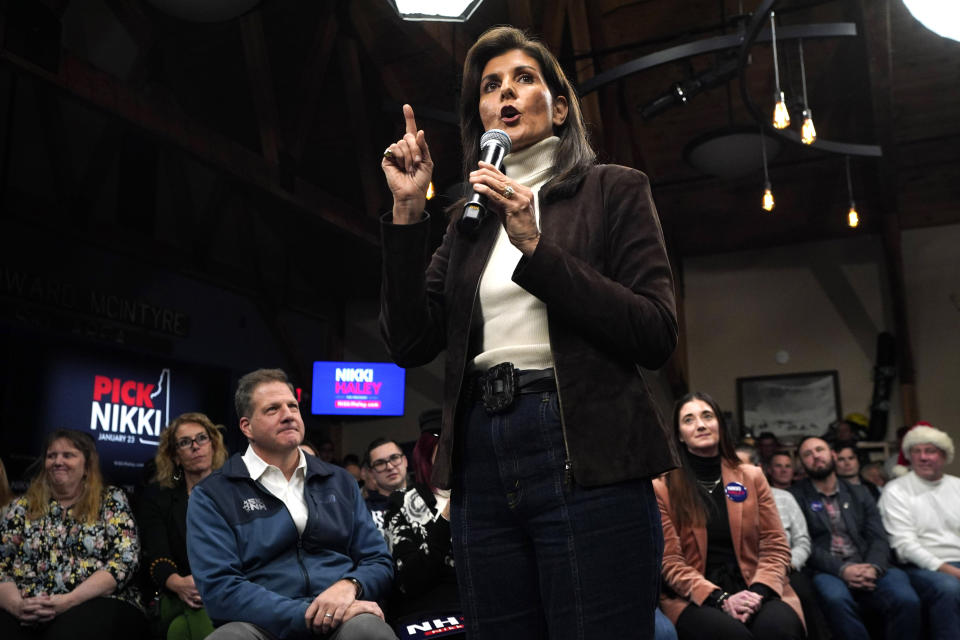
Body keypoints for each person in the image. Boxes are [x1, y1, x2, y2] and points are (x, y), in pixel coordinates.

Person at [378, 25, 679, 638]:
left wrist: (535, 245)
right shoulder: (469, 214)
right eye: (490, 87)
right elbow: (409, 343)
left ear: (560, 107)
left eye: (523, 78)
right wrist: (409, 211)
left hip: (582, 443)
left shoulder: (612, 188)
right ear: (481, 114)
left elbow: (654, 331)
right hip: (480, 451)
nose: (504, 94)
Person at [186, 368, 396, 640]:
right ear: (246, 426)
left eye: (292, 406)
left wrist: (350, 585)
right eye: (272, 409)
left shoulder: (340, 481)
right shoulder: (213, 494)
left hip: (344, 618)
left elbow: (378, 560)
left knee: (369, 630)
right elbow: (221, 590)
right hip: (261, 626)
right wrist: (310, 613)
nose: (288, 415)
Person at [655, 392, 803, 640]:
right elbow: (669, 561)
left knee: (781, 629)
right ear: (679, 434)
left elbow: (775, 545)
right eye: (689, 420)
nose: (701, 424)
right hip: (695, 594)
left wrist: (757, 592)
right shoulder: (662, 487)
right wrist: (720, 598)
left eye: (707, 416)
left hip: (755, 585)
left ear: (720, 426)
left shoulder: (752, 476)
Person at [0, 429, 147, 640]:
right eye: (52, 456)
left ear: (87, 466)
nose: (58, 461)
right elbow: (1, 564)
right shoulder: (22, 506)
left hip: (96, 601)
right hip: (26, 605)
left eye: (68, 455)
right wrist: (17, 606)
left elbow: (125, 560)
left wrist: (68, 601)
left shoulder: (111, 500)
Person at [791, 436, 920, 640]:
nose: (815, 456)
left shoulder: (859, 492)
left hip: (869, 563)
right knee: (835, 599)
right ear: (802, 463)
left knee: (906, 598)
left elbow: (878, 536)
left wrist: (872, 567)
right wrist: (843, 570)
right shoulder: (796, 496)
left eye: (819, 450)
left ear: (832, 455)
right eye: (807, 454)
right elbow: (806, 544)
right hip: (827, 569)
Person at [138, 412, 229, 640]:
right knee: (199, 604)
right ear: (176, 456)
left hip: (229, 589)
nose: (195, 446)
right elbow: (157, 556)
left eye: (202, 438)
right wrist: (177, 583)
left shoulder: (236, 493)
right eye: (185, 442)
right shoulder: (159, 500)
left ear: (213, 445)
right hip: (181, 592)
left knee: (178, 631)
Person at [379, 410, 460, 637]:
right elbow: (410, 580)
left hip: (483, 603)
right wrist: (446, 517)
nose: (454, 454)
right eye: (445, 448)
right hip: (430, 612)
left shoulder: (481, 494)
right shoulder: (403, 502)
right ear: (427, 453)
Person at [878, 424, 960, 640]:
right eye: (916, 451)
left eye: (930, 451)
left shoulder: (957, 486)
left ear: (944, 456)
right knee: (949, 588)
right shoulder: (896, 490)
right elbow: (904, 545)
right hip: (921, 567)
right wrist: (952, 571)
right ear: (909, 456)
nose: (923, 457)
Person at [364, 438, 409, 530]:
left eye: (394, 458)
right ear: (371, 473)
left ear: (405, 461)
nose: (390, 467)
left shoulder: (430, 499)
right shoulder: (363, 512)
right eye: (379, 463)